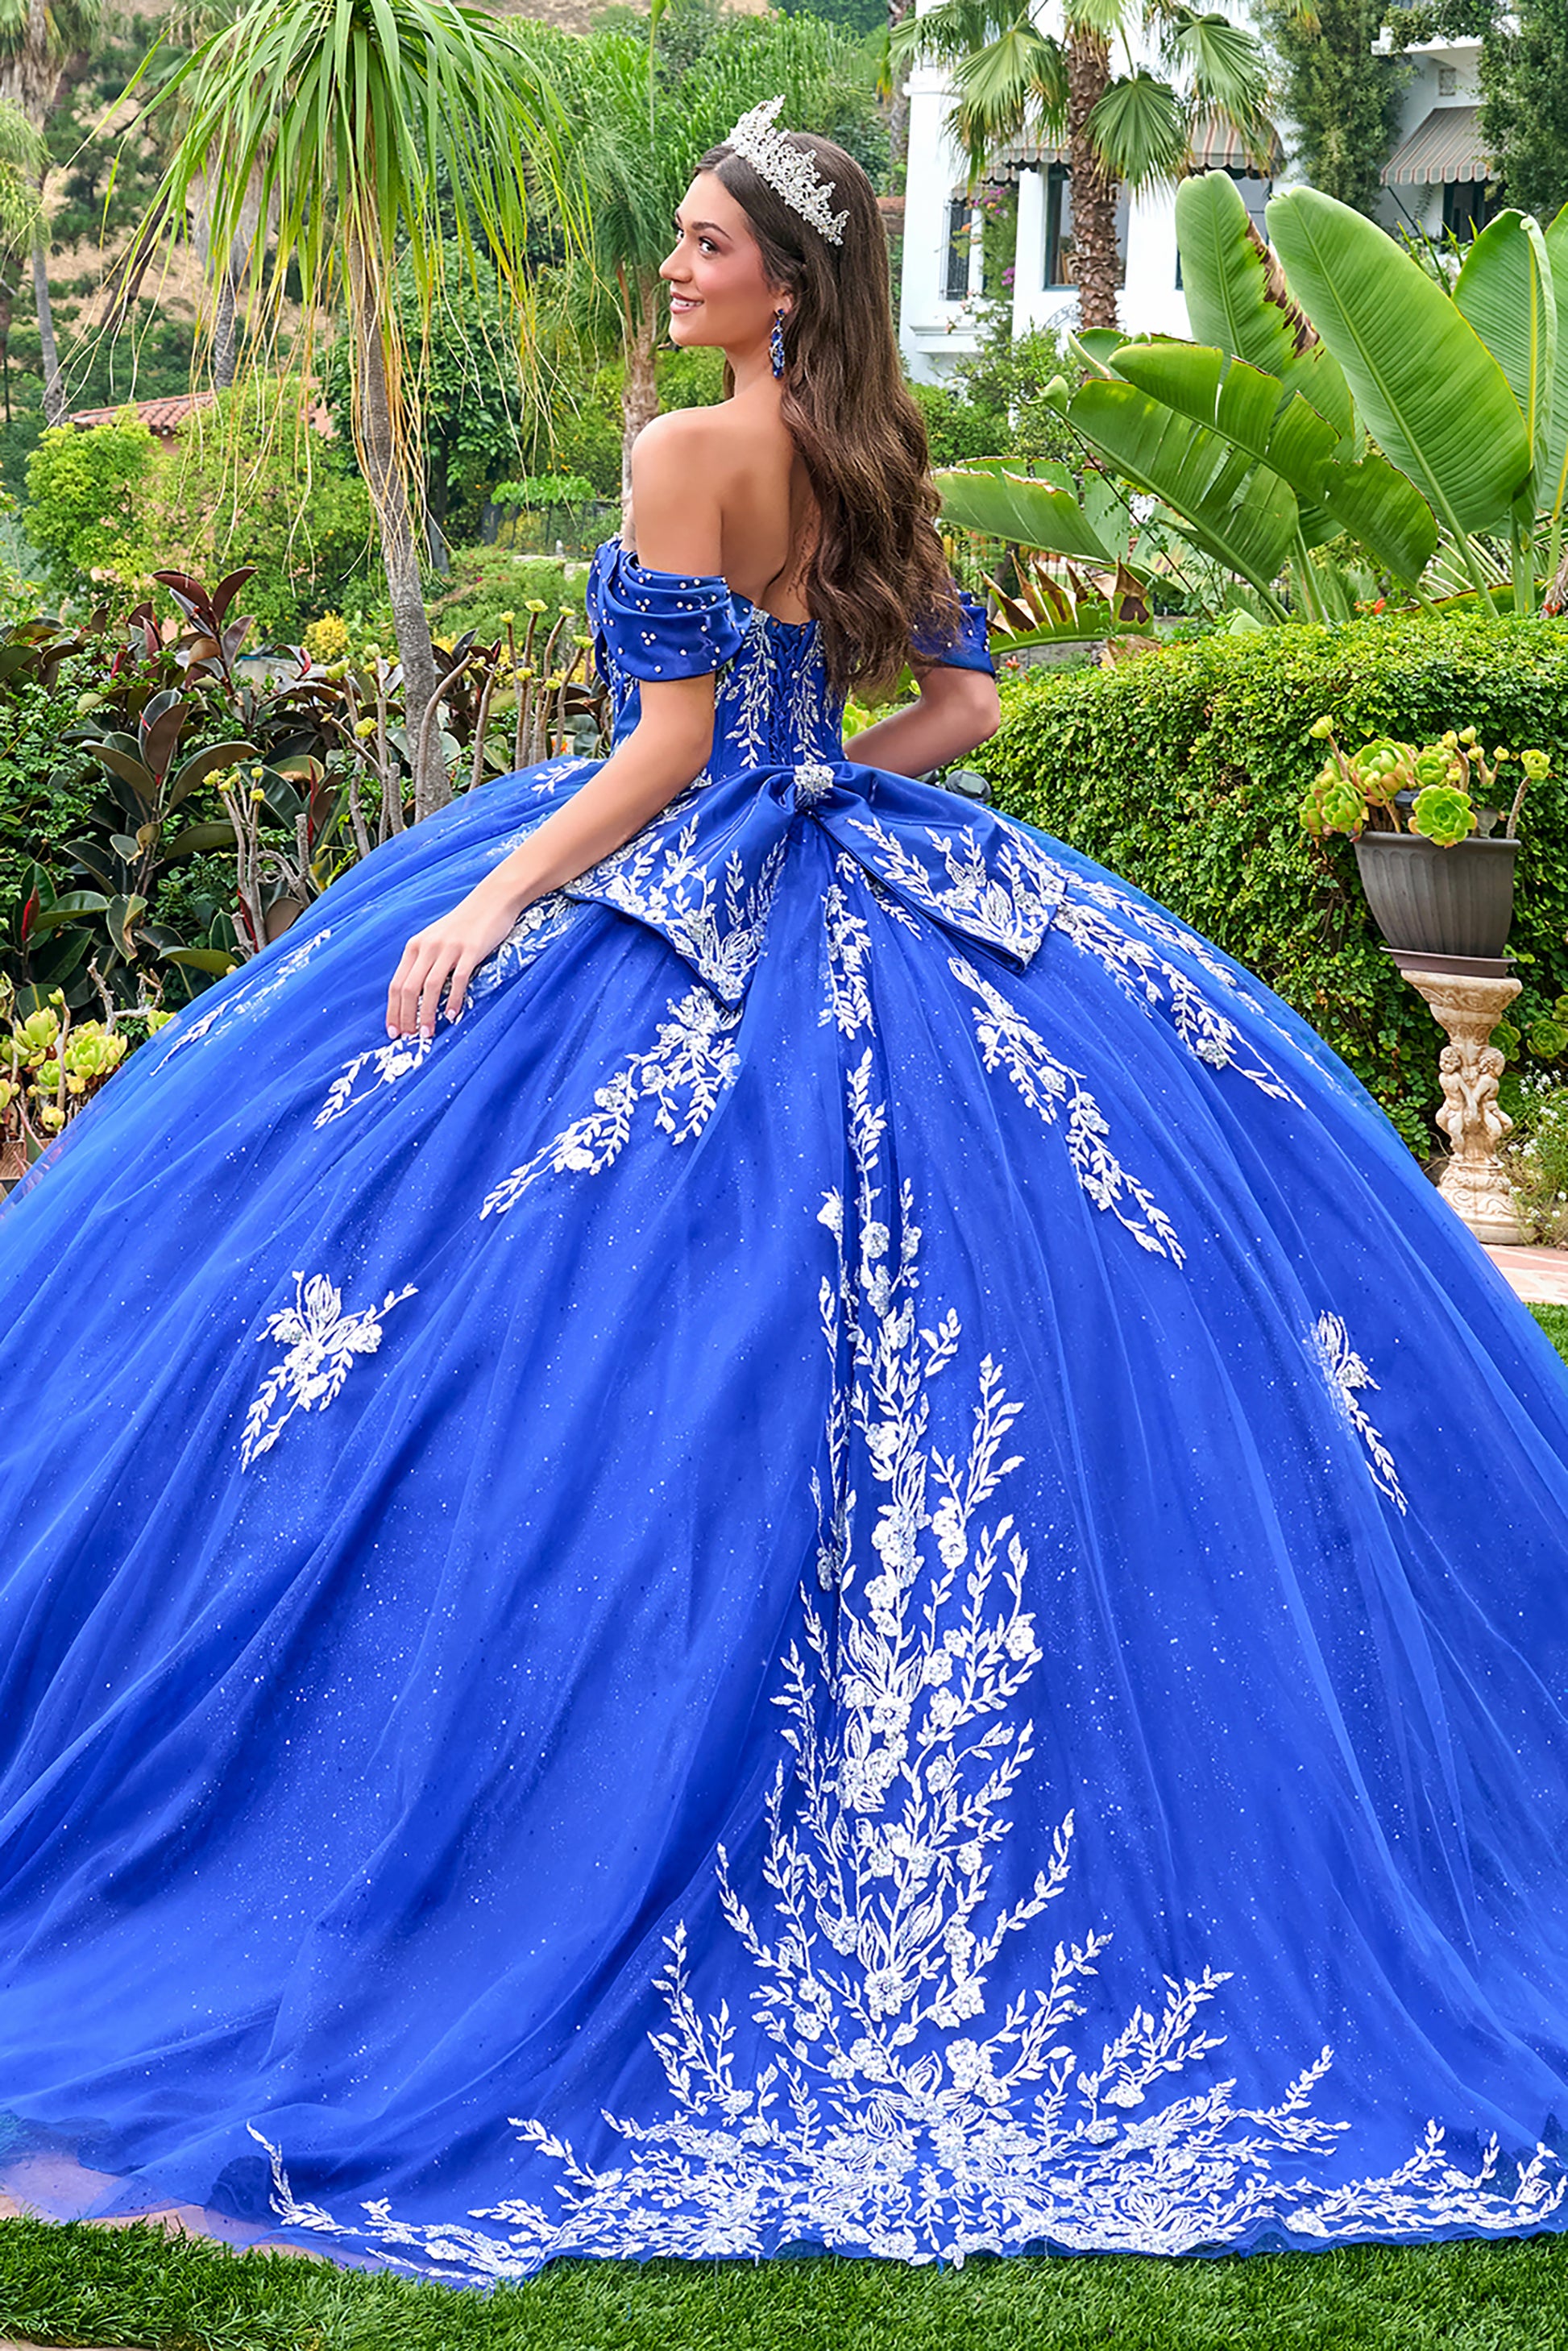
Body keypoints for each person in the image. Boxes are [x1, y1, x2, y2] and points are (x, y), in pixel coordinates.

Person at [2, 103, 1568, 2283]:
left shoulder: (681, 451)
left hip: (667, 885)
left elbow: (654, 755)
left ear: (781, 281)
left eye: (703, 242)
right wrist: (827, 784)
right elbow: (969, 704)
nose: (674, 268)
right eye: (677, 241)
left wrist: (498, 903)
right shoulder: (874, 458)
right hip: (885, 884)